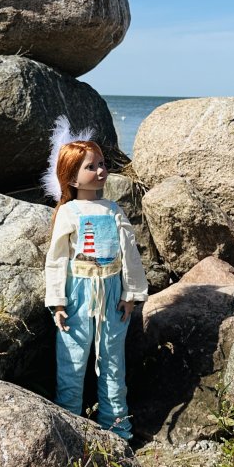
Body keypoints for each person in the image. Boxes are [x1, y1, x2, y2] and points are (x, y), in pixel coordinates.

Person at [42, 120, 147, 441]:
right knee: (72, 357)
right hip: (78, 291)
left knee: (113, 359)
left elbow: (129, 252)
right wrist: (57, 301)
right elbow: (57, 259)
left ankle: (117, 428)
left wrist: (130, 293)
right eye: (91, 166)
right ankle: (71, 424)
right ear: (72, 177)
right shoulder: (68, 212)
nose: (101, 171)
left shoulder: (113, 210)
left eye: (102, 164)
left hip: (112, 291)